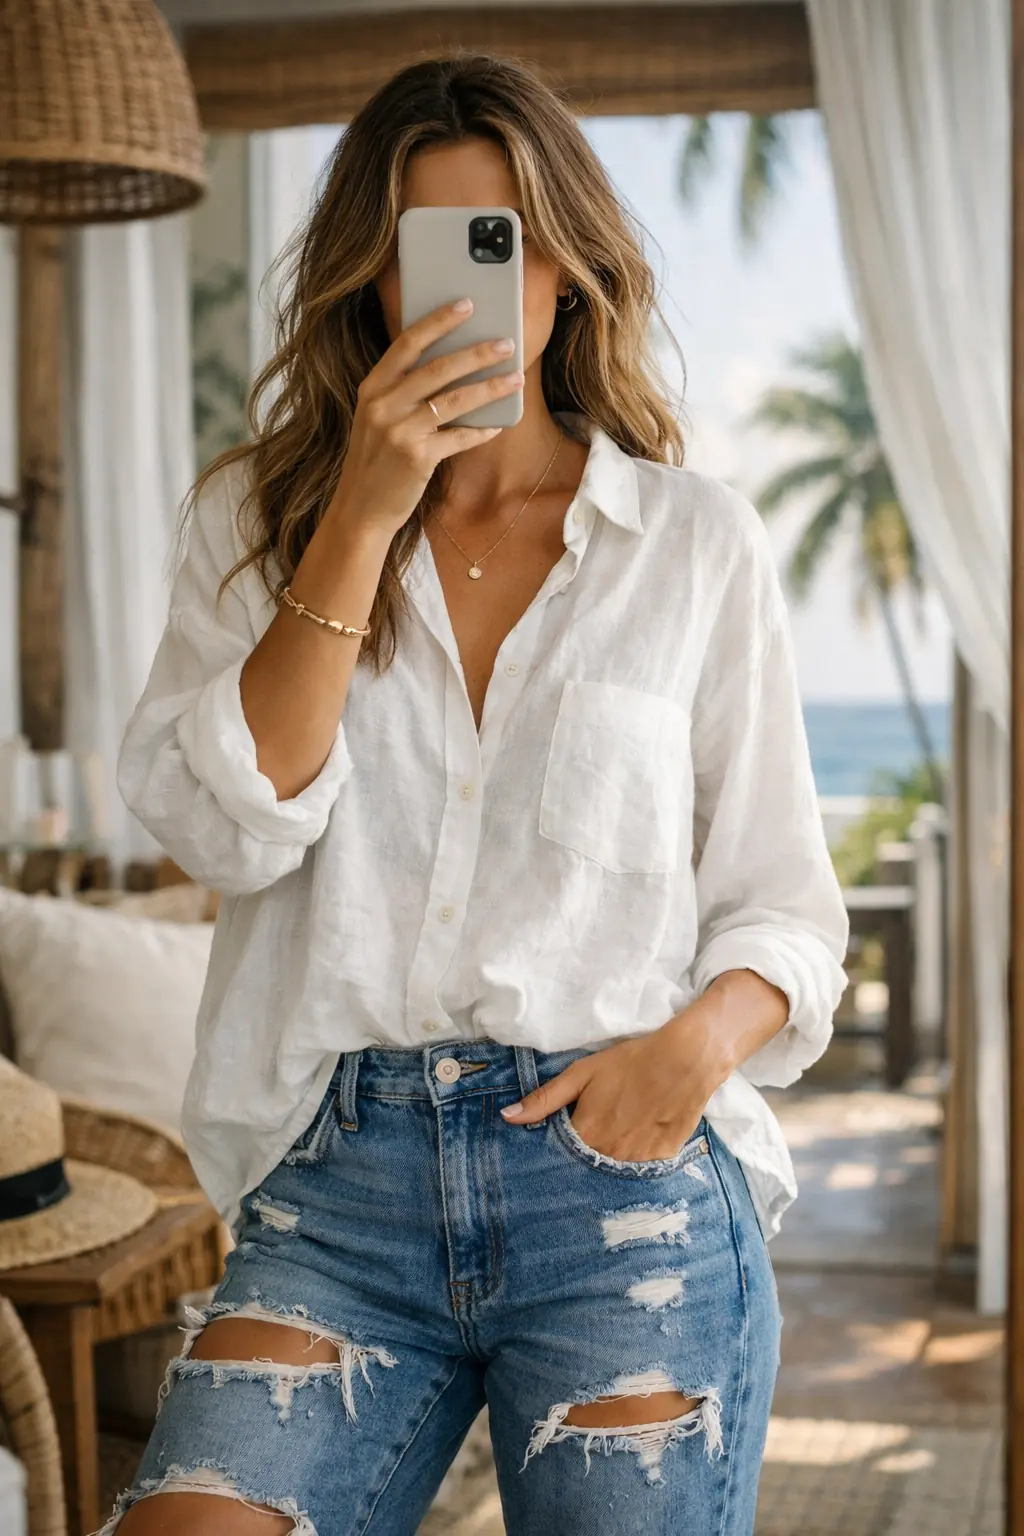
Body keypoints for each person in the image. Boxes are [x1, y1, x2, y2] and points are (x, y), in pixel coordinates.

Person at [106, 52, 849, 1536]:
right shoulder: (257, 522)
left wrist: (688, 1055)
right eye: (420, 250)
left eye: (498, 241)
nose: (464, 290)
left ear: (566, 267)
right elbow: (216, 830)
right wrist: (366, 512)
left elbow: (786, 914)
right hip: (337, 1190)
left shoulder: (690, 545)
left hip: (615, 1177)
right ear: (369, 282)